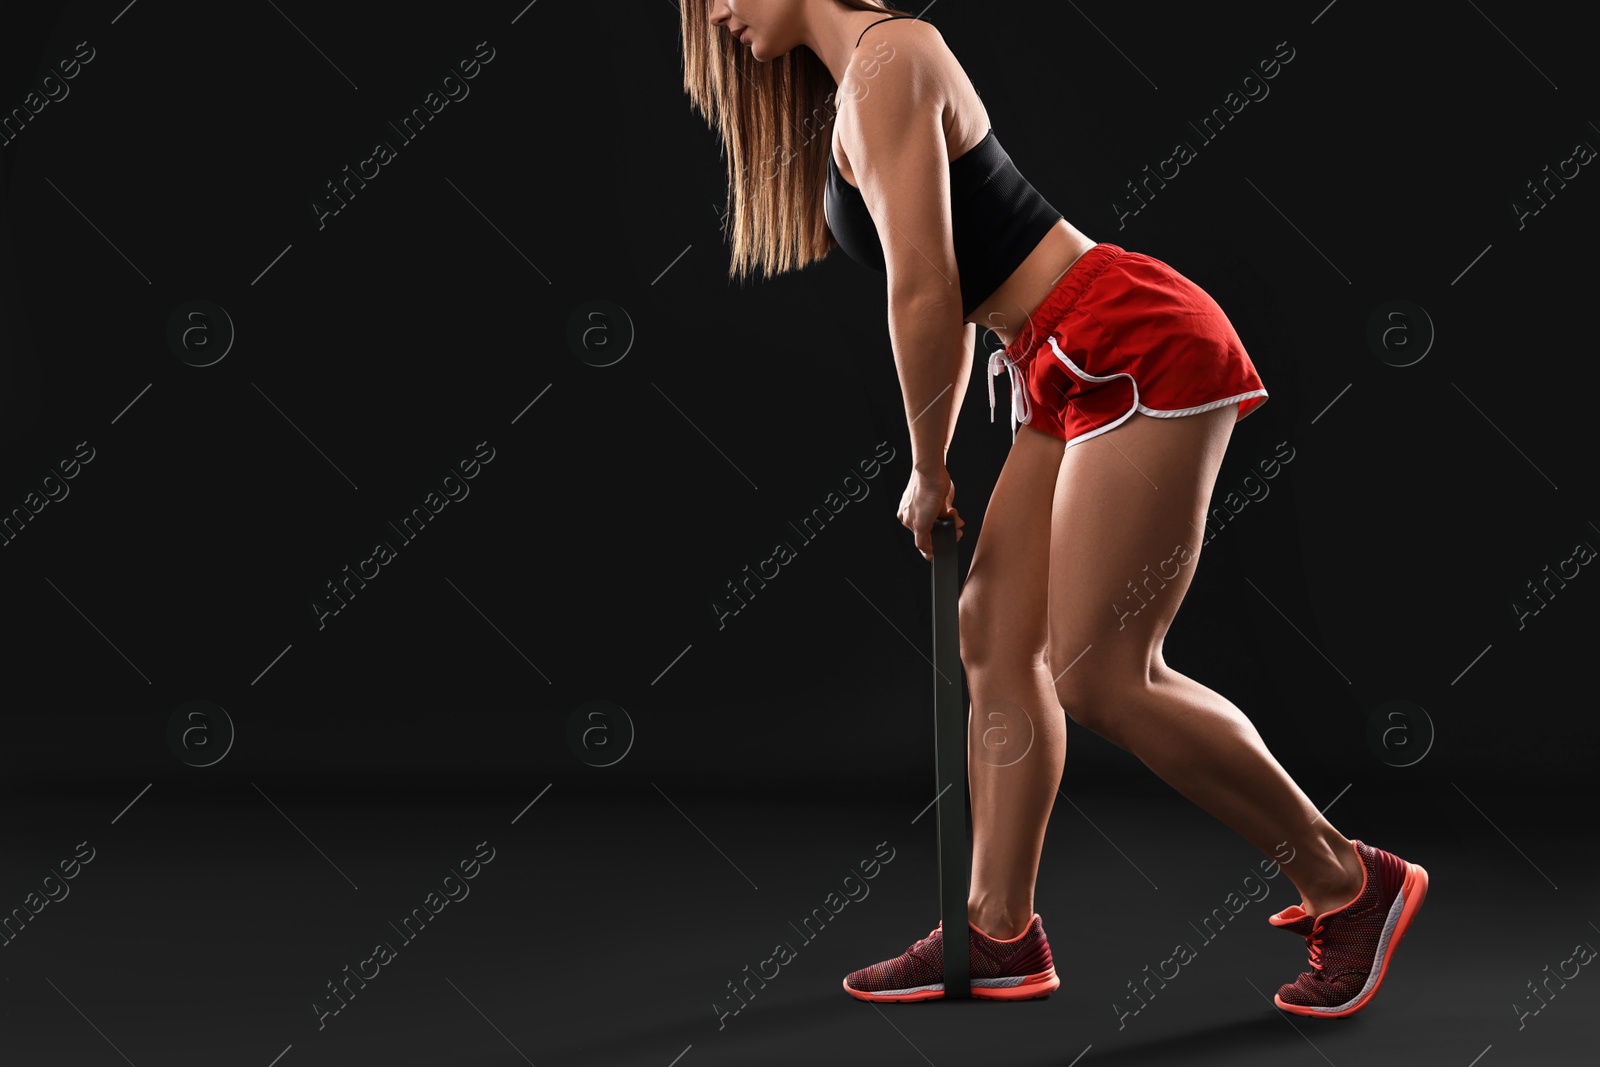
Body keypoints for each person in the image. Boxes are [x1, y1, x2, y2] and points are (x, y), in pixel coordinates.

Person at [681, 0, 1428, 1017]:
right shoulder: (861, 81)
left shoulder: (892, 56)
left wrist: (928, 467)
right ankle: (998, 930)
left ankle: (1347, 879)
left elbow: (925, 287)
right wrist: (967, 417)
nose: (716, 11)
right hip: (1058, 355)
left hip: (1132, 338)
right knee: (992, 630)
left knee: (1105, 675)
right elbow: (952, 277)